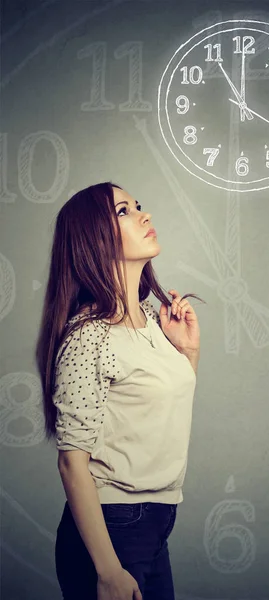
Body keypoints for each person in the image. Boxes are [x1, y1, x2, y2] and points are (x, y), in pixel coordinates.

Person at [34, 182, 205, 599]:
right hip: (113, 529)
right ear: (94, 237)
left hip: (155, 523)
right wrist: (108, 570)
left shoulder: (152, 319)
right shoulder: (88, 337)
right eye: (124, 211)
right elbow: (72, 464)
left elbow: (162, 411)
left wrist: (187, 351)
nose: (144, 215)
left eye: (139, 205)